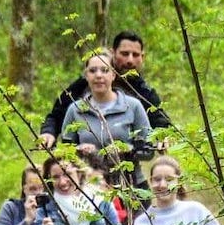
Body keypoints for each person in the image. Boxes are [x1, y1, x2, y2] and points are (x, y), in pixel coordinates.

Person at [37, 31, 168, 148]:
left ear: (142, 57)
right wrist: (48, 132)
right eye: (124, 54)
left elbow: (159, 117)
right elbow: (56, 115)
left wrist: (162, 134)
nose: (130, 60)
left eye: (135, 55)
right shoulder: (85, 84)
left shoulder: (141, 90)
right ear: (113, 53)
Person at [58, 49, 153, 191]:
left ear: (113, 74)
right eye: (93, 71)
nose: (98, 75)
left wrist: (128, 150)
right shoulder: (75, 110)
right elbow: (64, 153)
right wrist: (78, 150)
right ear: (86, 76)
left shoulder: (133, 106)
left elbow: (149, 150)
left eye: (104, 70)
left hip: (131, 185)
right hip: (89, 187)